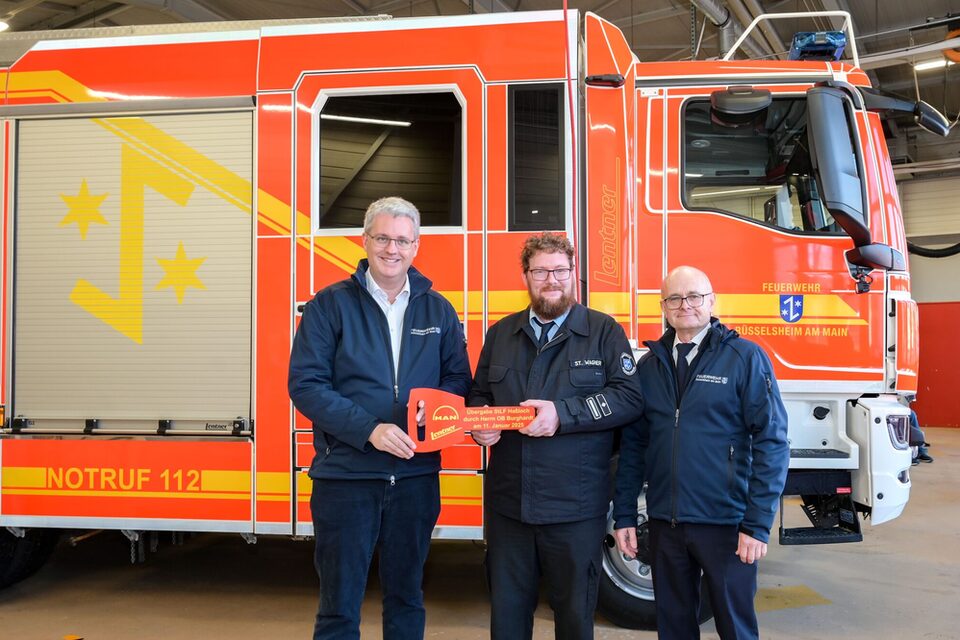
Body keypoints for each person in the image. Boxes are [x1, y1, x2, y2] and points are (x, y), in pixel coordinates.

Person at [288, 196, 472, 640]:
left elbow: (458, 377)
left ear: (417, 245)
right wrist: (369, 430)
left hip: (415, 477)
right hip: (346, 478)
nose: (393, 249)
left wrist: (441, 403)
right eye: (384, 238)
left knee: (407, 599)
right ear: (365, 240)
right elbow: (305, 385)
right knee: (338, 606)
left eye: (404, 240)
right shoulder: (329, 305)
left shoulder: (438, 309)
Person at [468, 232, 644, 640]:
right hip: (509, 507)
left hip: (574, 509)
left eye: (560, 270)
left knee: (574, 618)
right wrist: (480, 422)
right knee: (508, 618)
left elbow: (628, 398)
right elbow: (478, 394)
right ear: (526, 276)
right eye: (541, 271)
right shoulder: (501, 334)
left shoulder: (603, 332)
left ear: (573, 274)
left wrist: (562, 415)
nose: (552, 280)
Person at [612, 266, 789, 640]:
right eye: (674, 298)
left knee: (736, 627)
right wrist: (625, 513)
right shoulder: (650, 366)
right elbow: (633, 448)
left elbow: (772, 444)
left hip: (725, 524)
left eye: (694, 296)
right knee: (674, 628)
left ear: (711, 301)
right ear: (663, 307)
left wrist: (756, 525)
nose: (684, 305)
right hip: (665, 524)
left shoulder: (744, 358)